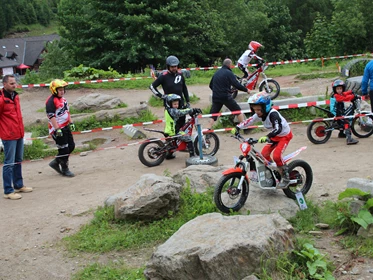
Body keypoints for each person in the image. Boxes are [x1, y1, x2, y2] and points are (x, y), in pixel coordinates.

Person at [232, 92, 293, 188]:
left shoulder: (273, 115)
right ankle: (275, 171)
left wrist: (267, 136)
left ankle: (286, 177)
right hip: (274, 137)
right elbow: (249, 121)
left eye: (259, 109)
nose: (257, 112)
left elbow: (278, 129)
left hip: (284, 136)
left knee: (277, 156)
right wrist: (237, 127)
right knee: (264, 155)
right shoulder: (259, 114)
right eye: (254, 109)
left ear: (266, 107)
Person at [0, 75, 33, 200]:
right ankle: (8, 190)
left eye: (15, 83)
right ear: (5, 84)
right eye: (12, 83)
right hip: (8, 135)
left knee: (18, 160)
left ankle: (18, 185)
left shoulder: (16, 96)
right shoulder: (1, 99)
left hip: (19, 133)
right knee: (9, 163)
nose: (14, 85)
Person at [150, 55, 190, 132]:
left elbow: (184, 88)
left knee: (182, 125)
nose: (174, 68)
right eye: (172, 67)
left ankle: (181, 143)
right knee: (172, 127)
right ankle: (172, 142)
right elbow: (152, 86)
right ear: (168, 66)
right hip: (170, 105)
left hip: (181, 103)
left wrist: (187, 101)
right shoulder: (163, 76)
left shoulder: (180, 75)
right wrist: (161, 96)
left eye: (175, 66)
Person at [206, 58, 249, 131]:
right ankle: (244, 127)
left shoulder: (216, 73)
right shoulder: (229, 73)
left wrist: (217, 91)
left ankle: (207, 129)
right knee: (237, 110)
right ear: (229, 65)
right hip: (225, 96)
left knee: (213, 114)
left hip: (216, 96)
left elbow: (210, 85)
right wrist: (246, 90)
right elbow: (236, 84)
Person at [46, 79, 76, 177]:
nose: (62, 91)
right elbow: (51, 116)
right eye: (60, 90)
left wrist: (71, 122)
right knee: (64, 149)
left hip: (66, 126)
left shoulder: (63, 100)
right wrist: (57, 129)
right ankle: (65, 169)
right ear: (54, 90)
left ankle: (55, 162)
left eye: (63, 89)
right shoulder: (50, 101)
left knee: (71, 146)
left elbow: (67, 111)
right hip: (57, 128)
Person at [163, 94, 201, 159]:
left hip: (168, 130)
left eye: (177, 104)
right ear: (169, 103)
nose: (176, 106)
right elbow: (180, 112)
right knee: (188, 138)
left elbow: (180, 111)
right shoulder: (173, 111)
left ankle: (169, 155)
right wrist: (192, 110)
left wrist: (185, 108)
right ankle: (192, 156)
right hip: (174, 131)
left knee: (172, 143)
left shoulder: (167, 110)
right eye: (174, 104)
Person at [330, 79, 359, 145]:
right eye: (338, 89)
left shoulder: (339, 94)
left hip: (339, 111)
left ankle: (341, 134)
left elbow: (345, 94)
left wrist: (351, 91)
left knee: (343, 120)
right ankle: (349, 139)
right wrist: (353, 96)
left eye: (340, 88)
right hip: (337, 112)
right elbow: (344, 98)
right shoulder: (336, 96)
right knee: (346, 121)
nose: (339, 90)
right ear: (335, 90)